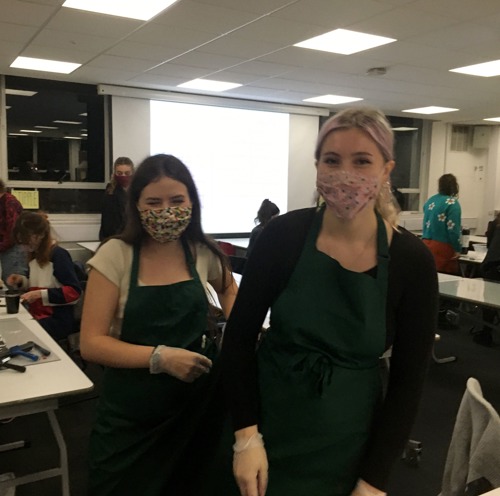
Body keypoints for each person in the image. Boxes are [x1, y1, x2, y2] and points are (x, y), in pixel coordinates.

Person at [217, 107, 438, 496]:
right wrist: (246, 437)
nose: (345, 173)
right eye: (332, 160)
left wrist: (374, 481)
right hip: (265, 430)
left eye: (362, 161)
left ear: (386, 170)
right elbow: (237, 339)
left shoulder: (411, 261)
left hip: (349, 443)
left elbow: (408, 382)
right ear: (317, 165)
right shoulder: (282, 236)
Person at [80, 153, 238, 496]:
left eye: (177, 200)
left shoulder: (200, 252)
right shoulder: (115, 255)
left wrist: (237, 335)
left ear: (192, 202)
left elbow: (227, 287)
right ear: (136, 205)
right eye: (154, 201)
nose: (167, 210)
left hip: (196, 407)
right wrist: (160, 357)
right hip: (132, 415)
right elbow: (91, 343)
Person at [6, 212, 82, 340]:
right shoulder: (34, 256)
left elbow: (74, 292)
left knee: (18, 334)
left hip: (57, 319)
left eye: (26, 241)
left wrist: (39, 294)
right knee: (11, 326)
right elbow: (35, 284)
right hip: (38, 314)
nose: (24, 247)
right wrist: (21, 281)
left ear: (40, 235)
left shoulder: (58, 255)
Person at [422, 173, 462, 274]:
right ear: (454, 186)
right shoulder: (452, 203)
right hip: (443, 248)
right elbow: (453, 229)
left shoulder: (430, 201)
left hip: (426, 244)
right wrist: (457, 248)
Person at [99, 156, 134, 241]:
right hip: (114, 237)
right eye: (119, 173)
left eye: (127, 173)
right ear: (115, 173)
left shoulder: (137, 189)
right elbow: (108, 223)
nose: (123, 176)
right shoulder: (111, 191)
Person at [0, 179, 28, 282]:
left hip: (14, 247)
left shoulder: (10, 202)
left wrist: (1, 246)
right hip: (6, 247)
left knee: (14, 281)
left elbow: (13, 231)